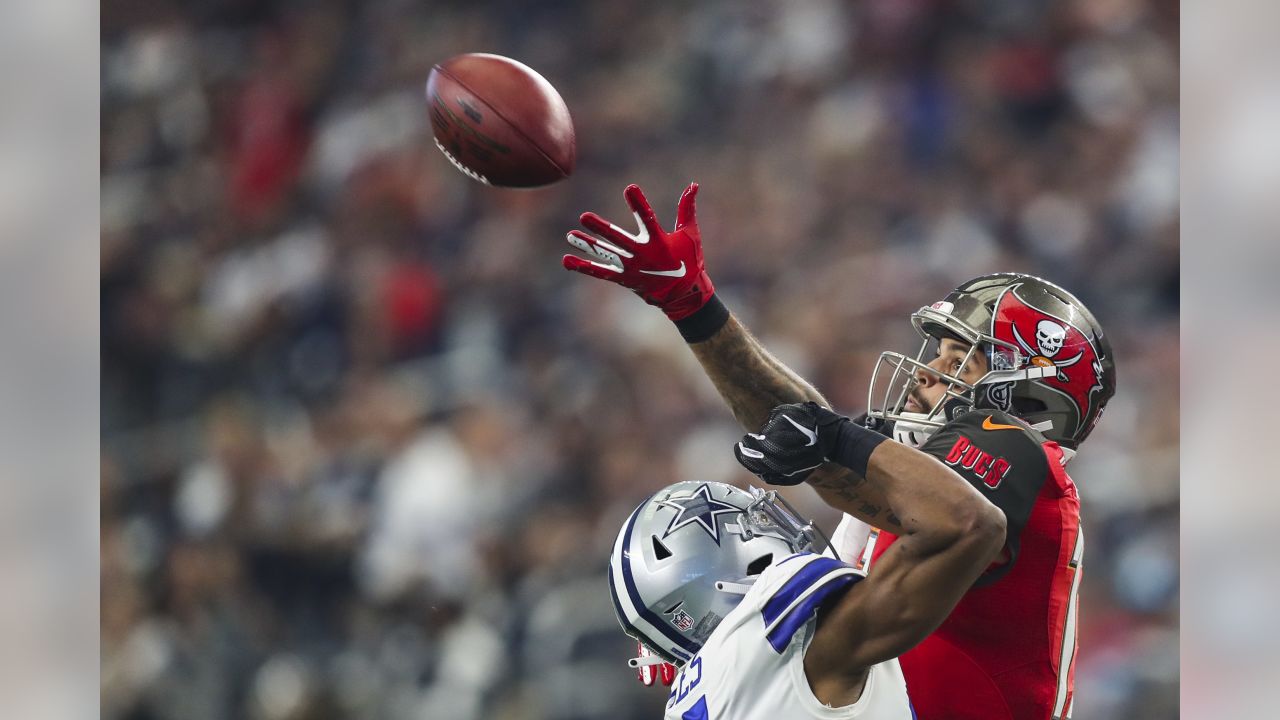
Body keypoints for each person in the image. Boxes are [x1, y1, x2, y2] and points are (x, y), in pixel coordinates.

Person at [566, 183, 1117, 720]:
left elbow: (944, 513)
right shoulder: (925, 484)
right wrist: (696, 310)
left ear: (1025, 391)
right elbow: (805, 431)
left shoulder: (1015, 451)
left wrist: (832, 440)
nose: (925, 375)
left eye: (958, 360)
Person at [610, 399, 1006, 719]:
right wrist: (843, 441)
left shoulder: (699, 694)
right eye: (755, 523)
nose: (778, 527)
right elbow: (970, 524)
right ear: (721, 571)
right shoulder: (780, 637)